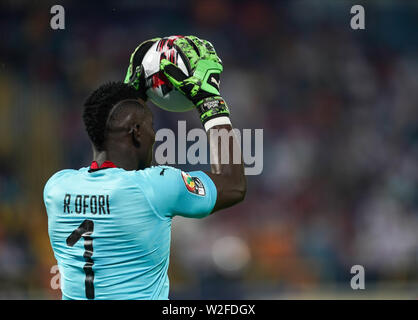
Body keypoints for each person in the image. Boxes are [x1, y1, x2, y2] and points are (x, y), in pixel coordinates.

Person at [43, 36, 246, 300]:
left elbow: (117, 155)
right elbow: (233, 184)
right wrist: (209, 101)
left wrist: (132, 95)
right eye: (151, 126)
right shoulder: (157, 188)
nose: (155, 135)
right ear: (137, 133)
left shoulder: (56, 189)